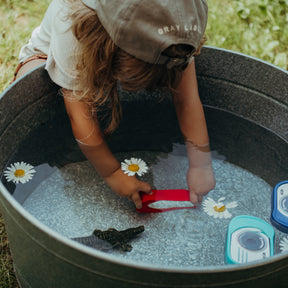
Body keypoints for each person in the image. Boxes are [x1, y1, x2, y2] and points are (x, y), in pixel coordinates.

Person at [13, 0, 216, 209]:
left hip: (112, 64)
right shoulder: (72, 21)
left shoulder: (175, 32)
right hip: (56, 61)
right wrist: (113, 174)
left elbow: (187, 100)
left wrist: (201, 164)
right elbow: (79, 116)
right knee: (36, 89)